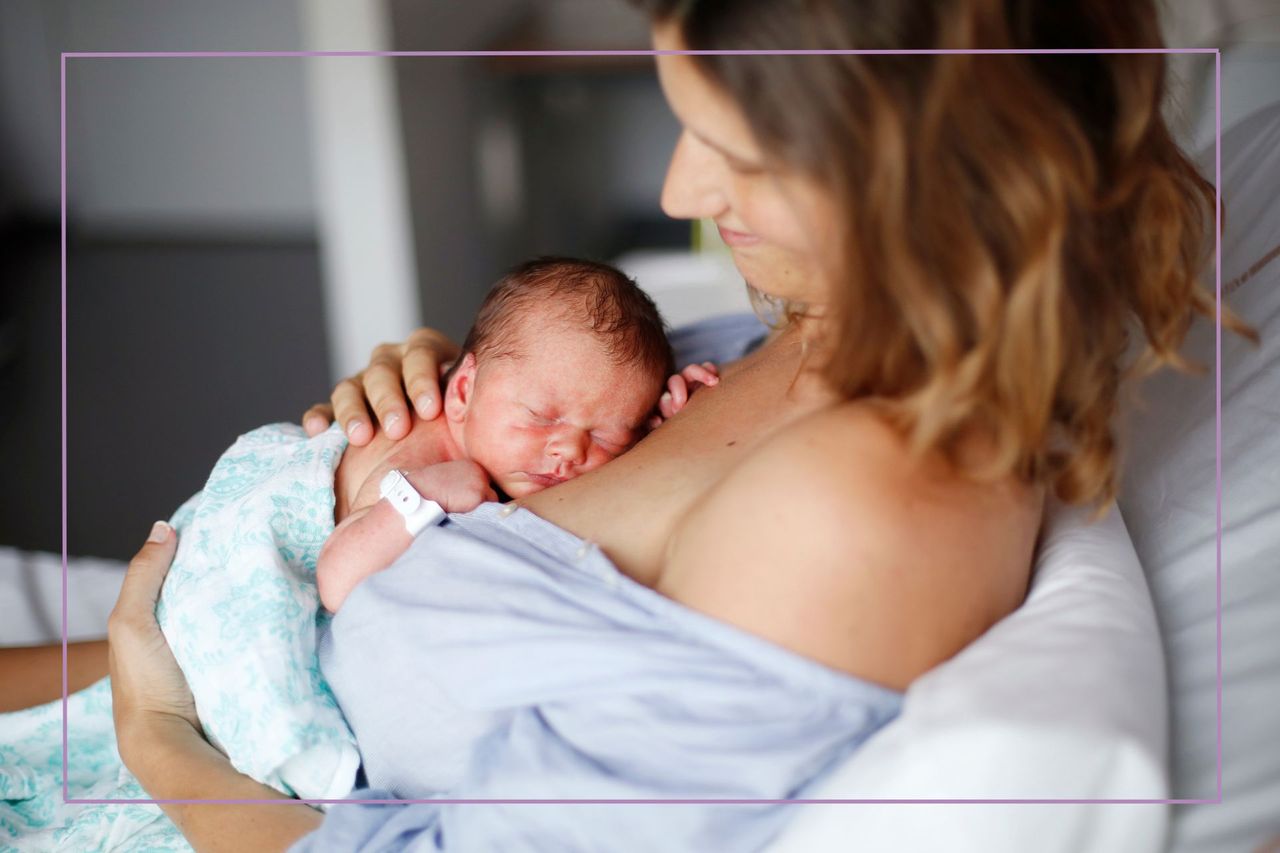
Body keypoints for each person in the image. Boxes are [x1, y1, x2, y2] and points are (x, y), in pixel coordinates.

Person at [21, 0, 1243, 849]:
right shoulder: (806, 334)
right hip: (242, 650)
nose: (678, 195)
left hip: (219, 754)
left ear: (919, 170)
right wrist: (457, 400)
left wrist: (161, 740)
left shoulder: (862, 510)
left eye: (738, 152)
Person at [318, 255, 718, 612]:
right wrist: (422, 496)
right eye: (542, 417)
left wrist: (663, 415)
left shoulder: (502, 406)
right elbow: (338, 582)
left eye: (605, 436)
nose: (569, 450)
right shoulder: (418, 448)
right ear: (462, 390)